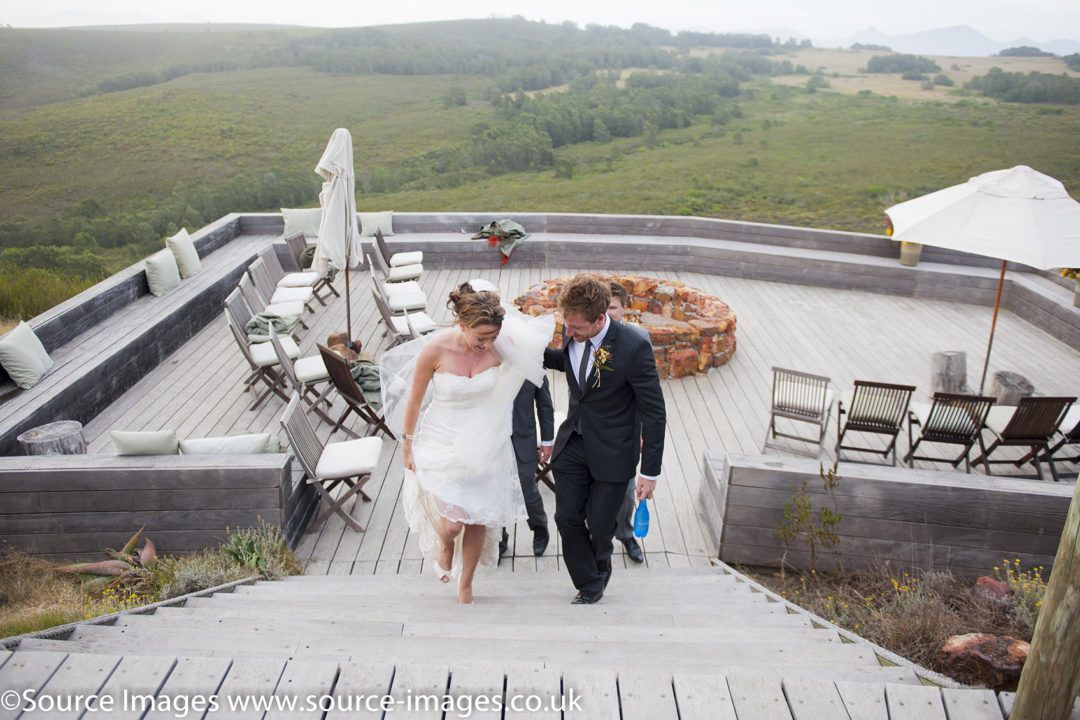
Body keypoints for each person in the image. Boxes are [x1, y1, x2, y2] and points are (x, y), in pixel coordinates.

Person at [381, 283, 554, 604]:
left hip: (487, 443)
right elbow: (414, 401)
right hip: (441, 438)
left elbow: (536, 369)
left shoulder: (501, 347)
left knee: (478, 518)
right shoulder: (435, 350)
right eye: (481, 338)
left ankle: (466, 584)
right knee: (452, 525)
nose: (486, 344)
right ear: (462, 325)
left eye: (493, 337)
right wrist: (407, 445)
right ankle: (446, 545)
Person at [543, 274, 666, 604]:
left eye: (577, 328)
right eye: (567, 326)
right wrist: (528, 351)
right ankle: (589, 583)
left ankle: (601, 563)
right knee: (566, 518)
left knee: (600, 527)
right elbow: (569, 363)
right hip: (573, 442)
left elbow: (654, 412)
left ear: (600, 318)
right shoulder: (573, 329)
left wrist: (649, 472)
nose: (569, 333)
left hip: (614, 451)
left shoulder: (633, 347)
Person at [606, 282, 647, 564]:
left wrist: (642, 431)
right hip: (591, 428)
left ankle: (625, 534)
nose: (608, 313)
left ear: (624, 309)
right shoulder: (581, 335)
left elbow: (645, 392)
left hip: (625, 431)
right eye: (604, 307)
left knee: (627, 492)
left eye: (613, 307)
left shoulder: (638, 338)